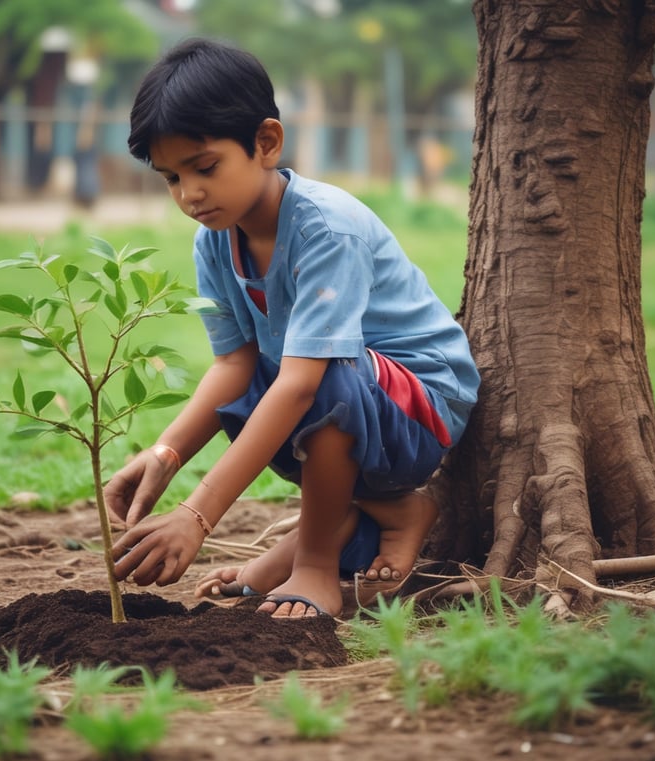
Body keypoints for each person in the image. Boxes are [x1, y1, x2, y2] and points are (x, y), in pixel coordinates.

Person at [104, 37, 480, 619]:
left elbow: (308, 383)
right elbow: (236, 364)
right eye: (171, 178)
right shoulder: (215, 239)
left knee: (313, 377)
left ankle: (314, 566)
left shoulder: (326, 229)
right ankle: (381, 513)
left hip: (419, 405)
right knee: (260, 387)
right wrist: (167, 452)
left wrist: (196, 517)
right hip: (346, 393)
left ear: (265, 143)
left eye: (204, 168)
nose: (190, 194)